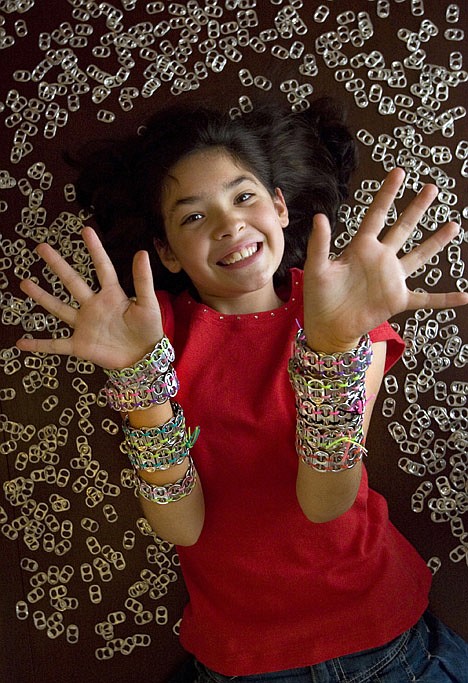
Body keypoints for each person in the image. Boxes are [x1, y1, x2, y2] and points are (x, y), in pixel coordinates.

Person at [16, 100, 468, 681]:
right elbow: (182, 526)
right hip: (240, 659)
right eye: (193, 216)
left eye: (244, 196)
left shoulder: (343, 308)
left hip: (385, 640)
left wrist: (332, 350)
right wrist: (138, 379)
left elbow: (324, 502)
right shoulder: (149, 336)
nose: (229, 224)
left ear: (280, 207)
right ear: (167, 253)